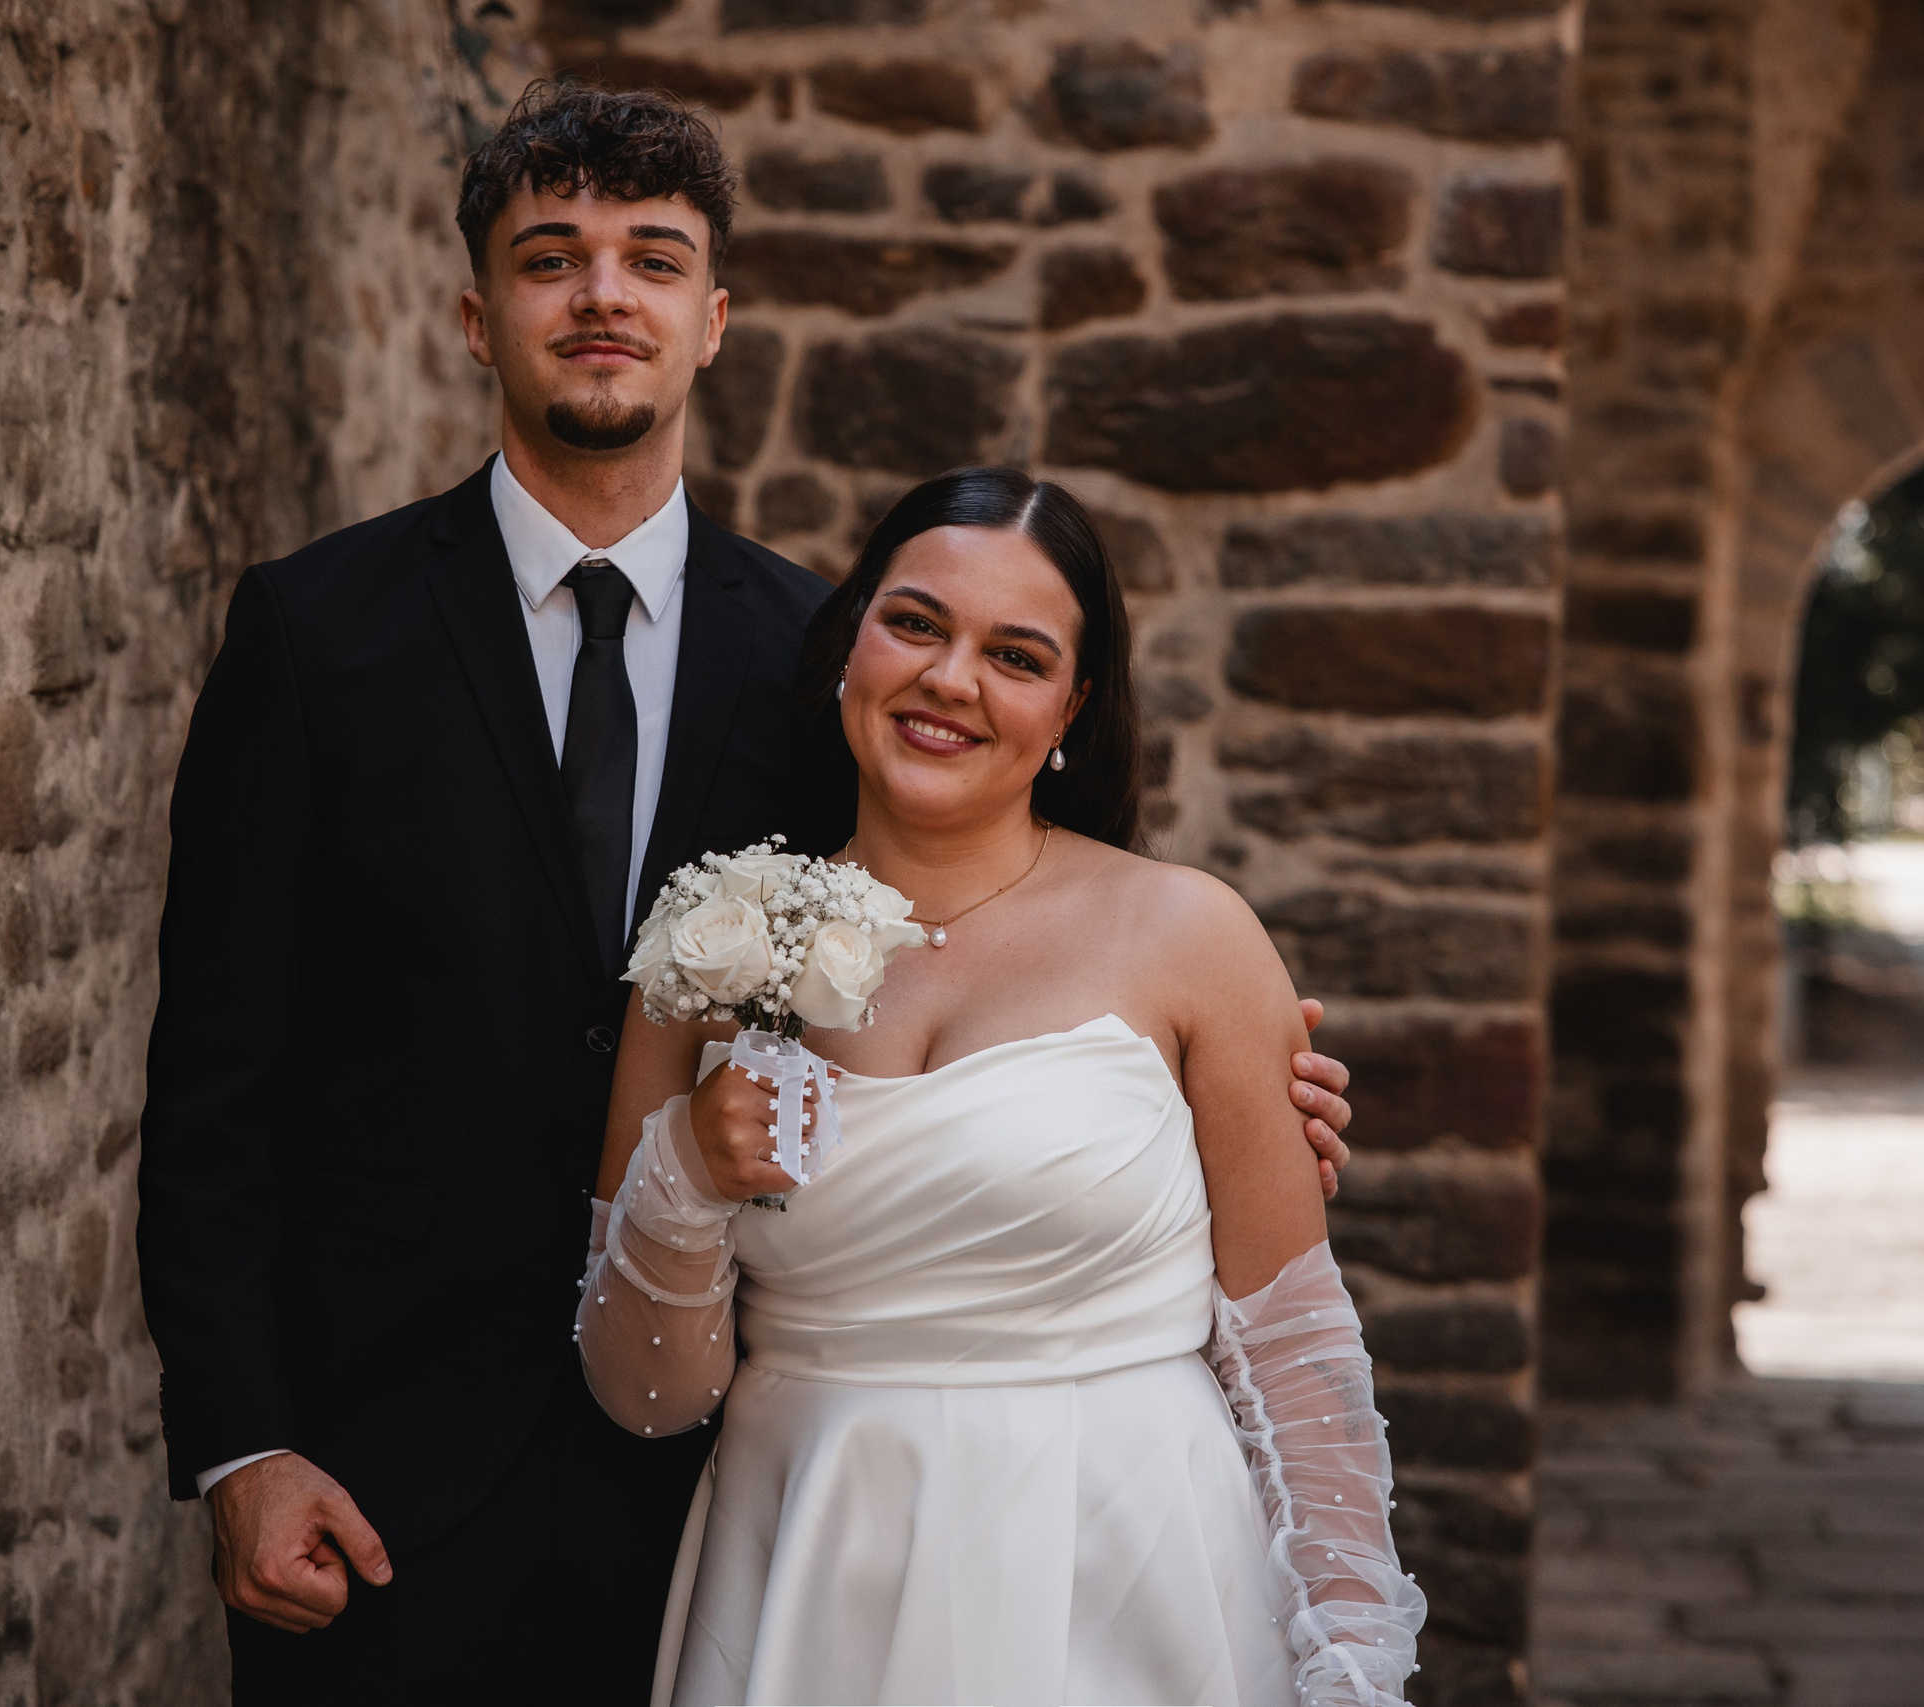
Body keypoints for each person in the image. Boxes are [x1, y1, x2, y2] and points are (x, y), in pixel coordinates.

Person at [135, 81, 1362, 1702]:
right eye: (549, 256)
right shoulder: (312, 632)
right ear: (474, 313)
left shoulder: (824, 660)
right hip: (375, 1484)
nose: (601, 295)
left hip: (724, 1484)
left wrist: (1221, 1112)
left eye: (651, 258)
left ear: (712, 321)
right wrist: (246, 1439)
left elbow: (962, 939)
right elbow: (215, 1071)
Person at [579, 467, 1428, 1706]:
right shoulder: (707, 951)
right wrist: (688, 1179)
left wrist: (1351, 1663)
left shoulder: (1189, 936)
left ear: (1070, 706)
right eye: (915, 623)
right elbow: (645, 1398)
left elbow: (1295, 1353)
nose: (950, 679)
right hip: (817, 1563)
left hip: (1127, 1568)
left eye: (1015, 656)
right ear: (850, 641)